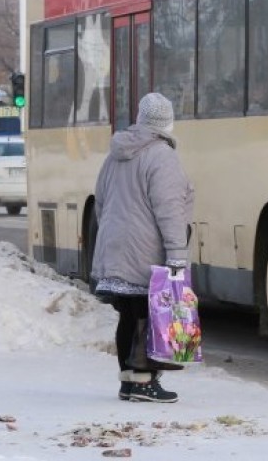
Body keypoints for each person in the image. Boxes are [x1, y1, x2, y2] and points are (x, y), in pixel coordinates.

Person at [91, 92, 194, 403]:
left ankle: (127, 381)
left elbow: (101, 202)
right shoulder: (162, 156)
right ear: (167, 121)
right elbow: (170, 211)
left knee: (128, 313)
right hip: (147, 250)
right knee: (149, 315)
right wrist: (177, 256)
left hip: (115, 246)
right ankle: (144, 380)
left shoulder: (115, 153)